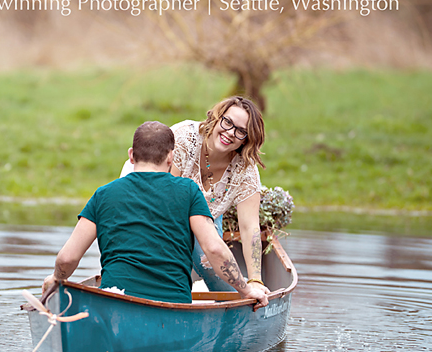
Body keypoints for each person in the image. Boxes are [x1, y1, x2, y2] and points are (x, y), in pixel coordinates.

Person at [42, 121, 263, 306]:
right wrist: (246, 290)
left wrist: (56, 279)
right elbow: (214, 248)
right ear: (170, 158)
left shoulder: (103, 194)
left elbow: (68, 257)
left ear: (131, 155)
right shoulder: (188, 192)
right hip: (172, 304)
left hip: (116, 300)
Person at [171, 96, 269, 303]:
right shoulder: (184, 138)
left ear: (246, 139)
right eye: (227, 122)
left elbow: (250, 227)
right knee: (173, 268)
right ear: (217, 118)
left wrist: (255, 280)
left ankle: (235, 312)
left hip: (207, 218)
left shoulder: (245, 169)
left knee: (214, 266)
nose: (230, 133)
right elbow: (163, 196)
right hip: (166, 215)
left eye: (240, 131)